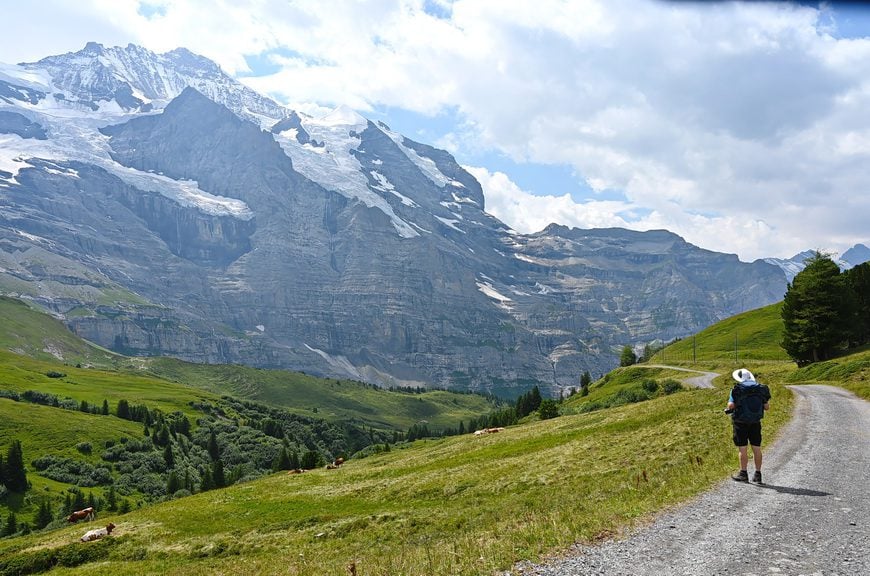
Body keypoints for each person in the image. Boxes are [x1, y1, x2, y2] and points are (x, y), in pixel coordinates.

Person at [725, 368, 771, 483]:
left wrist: (731, 406)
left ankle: (743, 473)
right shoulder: (760, 389)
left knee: (743, 448)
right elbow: (767, 407)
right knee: (756, 448)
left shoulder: (737, 389)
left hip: (740, 422)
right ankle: (758, 474)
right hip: (755, 422)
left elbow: (730, 405)